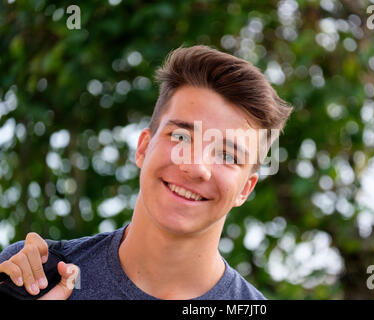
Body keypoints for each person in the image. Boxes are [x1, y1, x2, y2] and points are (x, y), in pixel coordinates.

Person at [0, 45, 293, 300]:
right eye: (181, 137)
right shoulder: (34, 276)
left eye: (227, 155)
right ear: (142, 148)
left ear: (245, 189)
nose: (195, 167)